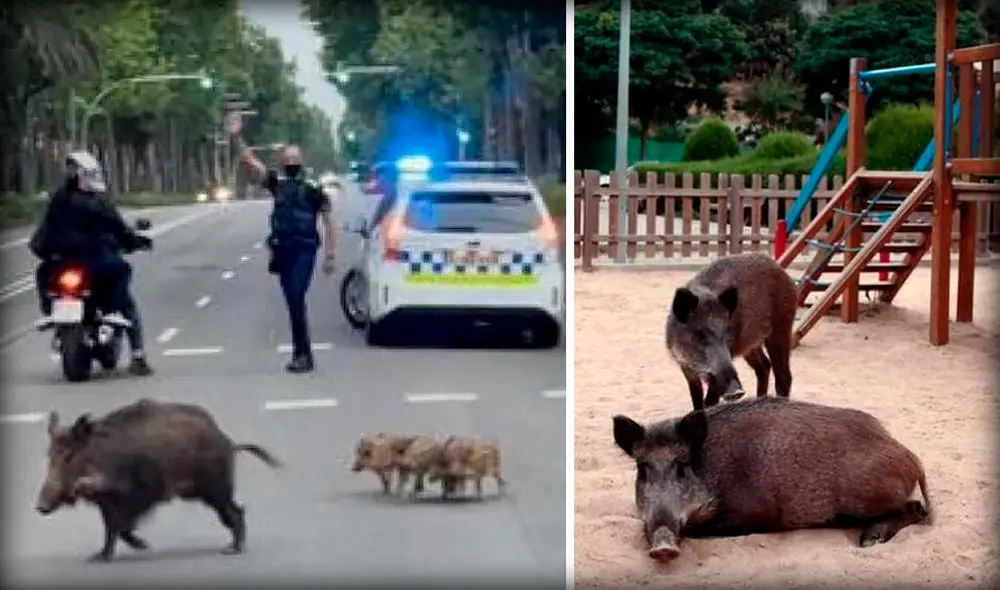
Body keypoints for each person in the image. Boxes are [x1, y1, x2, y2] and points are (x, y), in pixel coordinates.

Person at [227, 113, 336, 373]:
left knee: (296, 297)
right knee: (291, 300)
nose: (290, 162)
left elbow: (329, 220)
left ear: (302, 161)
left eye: (294, 159)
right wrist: (236, 136)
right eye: (286, 159)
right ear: (280, 162)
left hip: (305, 249)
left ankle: (304, 355)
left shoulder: (313, 188)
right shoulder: (277, 182)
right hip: (282, 251)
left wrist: (331, 253)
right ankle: (301, 354)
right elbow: (249, 161)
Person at [30, 151, 154, 376]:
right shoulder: (99, 203)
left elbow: (41, 237)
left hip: (61, 264)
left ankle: (50, 310)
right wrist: (138, 242)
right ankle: (138, 355)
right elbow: (120, 230)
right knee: (125, 292)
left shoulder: (58, 200)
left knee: (42, 273)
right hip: (96, 263)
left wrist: (48, 254)